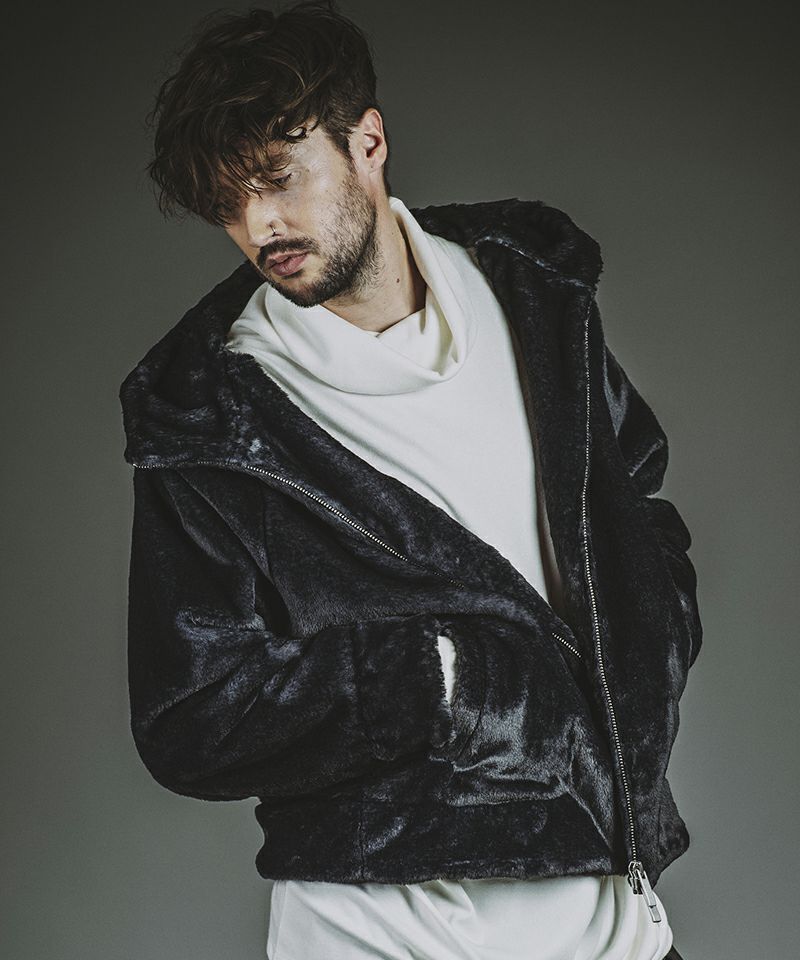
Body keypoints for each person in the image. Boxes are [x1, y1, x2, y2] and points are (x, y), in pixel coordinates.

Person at [119, 3, 701, 958]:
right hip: (382, 929)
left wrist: (654, 631)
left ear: (368, 142)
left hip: (610, 912)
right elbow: (191, 717)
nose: (259, 224)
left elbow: (635, 497)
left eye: (278, 177)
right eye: (228, 202)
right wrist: (440, 679)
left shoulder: (533, 293)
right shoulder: (209, 421)